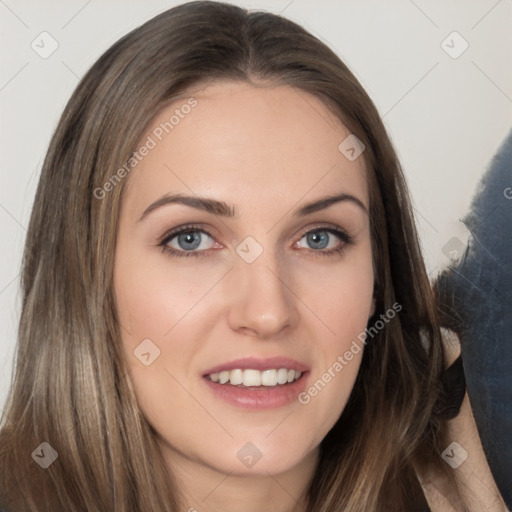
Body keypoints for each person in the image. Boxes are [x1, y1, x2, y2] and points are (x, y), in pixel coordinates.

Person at [0, 2, 507, 511]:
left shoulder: (470, 463)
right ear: (86, 275)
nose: (267, 312)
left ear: (379, 278)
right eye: (191, 239)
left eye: (319, 238)